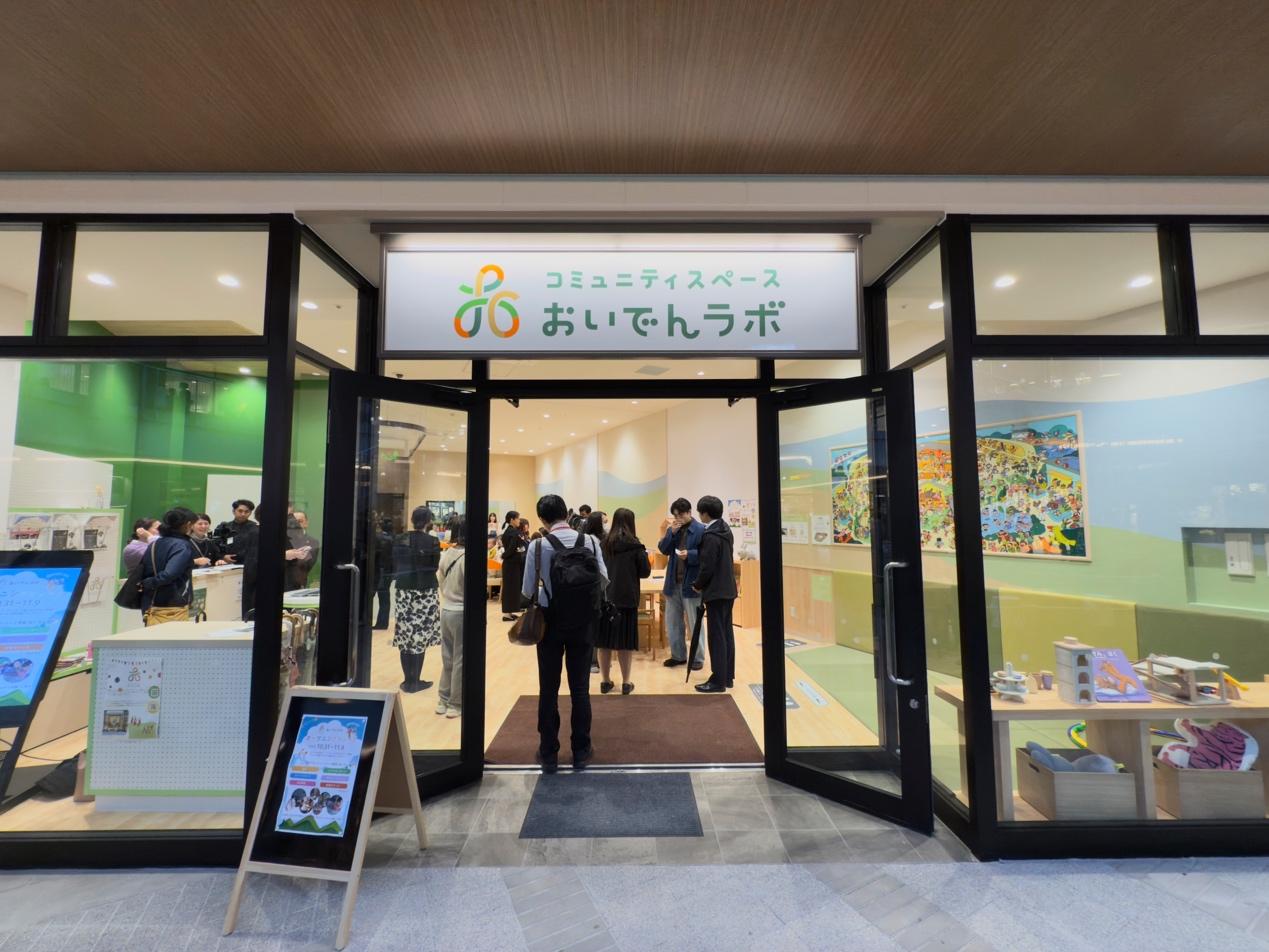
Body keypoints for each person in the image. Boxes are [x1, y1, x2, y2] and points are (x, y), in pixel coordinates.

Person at [522, 494, 607, 772]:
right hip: (583, 622)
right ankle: (581, 751)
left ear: (542, 518)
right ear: (566, 513)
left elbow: (528, 590)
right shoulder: (590, 541)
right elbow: (603, 579)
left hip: (550, 623)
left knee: (548, 689)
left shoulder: (538, 545)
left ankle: (548, 753)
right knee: (580, 688)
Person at [597, 507, 650, 696]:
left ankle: (605, 682)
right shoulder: (636, 546)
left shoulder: (603, 545)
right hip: (627, 600)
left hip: (605, 599)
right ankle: (626, 683)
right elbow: (645, 572)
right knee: (625, 643)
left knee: (604, 642)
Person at [392, 506, 441, 693]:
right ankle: (416, 681)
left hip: (404, 589)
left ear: (412, 520)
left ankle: (408, 680)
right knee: (420, 634)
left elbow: (395, 563)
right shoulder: (433, 541)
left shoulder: (400, 539)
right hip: (425, 591)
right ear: (428, 521)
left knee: (405, 634)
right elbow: (434, 566)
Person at [692, 495, 737, 694]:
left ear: (705, 513)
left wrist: (698, 584)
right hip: (728, 589)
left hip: (716, 591)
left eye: (700, 512)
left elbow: (707, 566)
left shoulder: (710, 535)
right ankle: (727, 676)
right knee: (726, 634)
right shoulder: (725, 530)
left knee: (716, 636)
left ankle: (718, 681)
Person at [658, 497, 706, 670]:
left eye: (681, 515)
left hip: (692, 583)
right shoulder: (674, 529)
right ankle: (678, 656)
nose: (678, 519)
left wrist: (690, 555)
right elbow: (663, 549)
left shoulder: (701, 530)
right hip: (673, 583)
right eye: (675, 516)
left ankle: (697, 658)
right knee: (673, 623)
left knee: (694, 623)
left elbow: (706, 555)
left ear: (689, 512)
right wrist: (671, 533)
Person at [140, 507, 198, 626]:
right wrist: (149, 583)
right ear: (188, 525)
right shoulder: (182, 546)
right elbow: (170, 574)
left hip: (151, 602)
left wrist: (147, 583)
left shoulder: (155, 543)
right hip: (172, 606)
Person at [436, 515, 466, 719]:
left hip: (446, 609)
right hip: (460, 612)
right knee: (460, 659)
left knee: (447, 658)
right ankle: (455, 703)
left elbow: (440, 580)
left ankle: (443, 699)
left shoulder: (447, 554)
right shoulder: (467, 558)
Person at [215, 499, 259, 620]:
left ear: (250, 513)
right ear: (234, 511)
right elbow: (215, 544)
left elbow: (253, 549)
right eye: (240, 511)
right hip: (225, 567)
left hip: (247, 568)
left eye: (247, 511)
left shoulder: (254, 529)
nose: (243, 514)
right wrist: (223, 556)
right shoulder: (224, 527)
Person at [499, 510, 526, 621]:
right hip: (511, 563)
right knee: (510, 588)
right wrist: (504, 555)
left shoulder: (509, 531)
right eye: (518, 518)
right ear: (512, 520)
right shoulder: (513, 532)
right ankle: (507, 614)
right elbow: (512, 548)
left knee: (512, 588)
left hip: (511, 563)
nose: (519, 520)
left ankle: (509, 612)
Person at [285, 509, 320, 590]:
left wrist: (291, 555)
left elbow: (307, 564)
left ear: (306, 523)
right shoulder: (283, 539)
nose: (296, 524)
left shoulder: (313, 541)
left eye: (300, 521)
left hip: (297, 584)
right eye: (294, 522)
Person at [372, 517, 394, 630]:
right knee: (385, 598)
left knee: (369, 596)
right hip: (388, 571)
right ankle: (383, 623)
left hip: (377, 571)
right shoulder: (393, 538)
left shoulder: (376, 538)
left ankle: (366, 621)